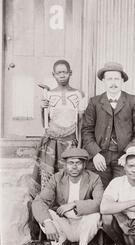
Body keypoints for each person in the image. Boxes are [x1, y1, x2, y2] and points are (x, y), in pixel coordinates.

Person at [81, 61, 135, 188]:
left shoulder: (133, 101)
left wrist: (128, 154)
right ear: (103, 81)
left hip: (123, 156)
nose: (113, 83)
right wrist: (95, 153)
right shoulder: (95, 102)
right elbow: (86, 130)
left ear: (122, 81)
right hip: (100, 155)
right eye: (109, 79)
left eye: (116, 79)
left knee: (122, 190)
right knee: (98, 190)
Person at [31, 148, 103, 245]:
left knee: (95, 215)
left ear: (84, 164)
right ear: (65, 164)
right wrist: (47, 222)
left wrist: (74, 204)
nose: (74, 167)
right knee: (46, 215)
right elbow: (39, 201)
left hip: (83, 223)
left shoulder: (94, 178)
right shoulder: (57, 178)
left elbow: (99, 202)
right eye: (71, 163)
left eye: (78, 163)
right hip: (63, 222)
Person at [30, 60, 85, 200]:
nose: (62, 75)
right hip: (51, 142)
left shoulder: (78, 94)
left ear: (70, 73)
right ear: (53, 75)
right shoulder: (48, 95)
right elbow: (45, 123)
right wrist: (41, 108)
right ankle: (46, 204)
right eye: (58, 72)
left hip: (69, 141)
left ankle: (64, 206)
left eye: (65, 72)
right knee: (48, 177)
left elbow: (81, 122)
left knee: (67, 176)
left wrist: (79, 143)